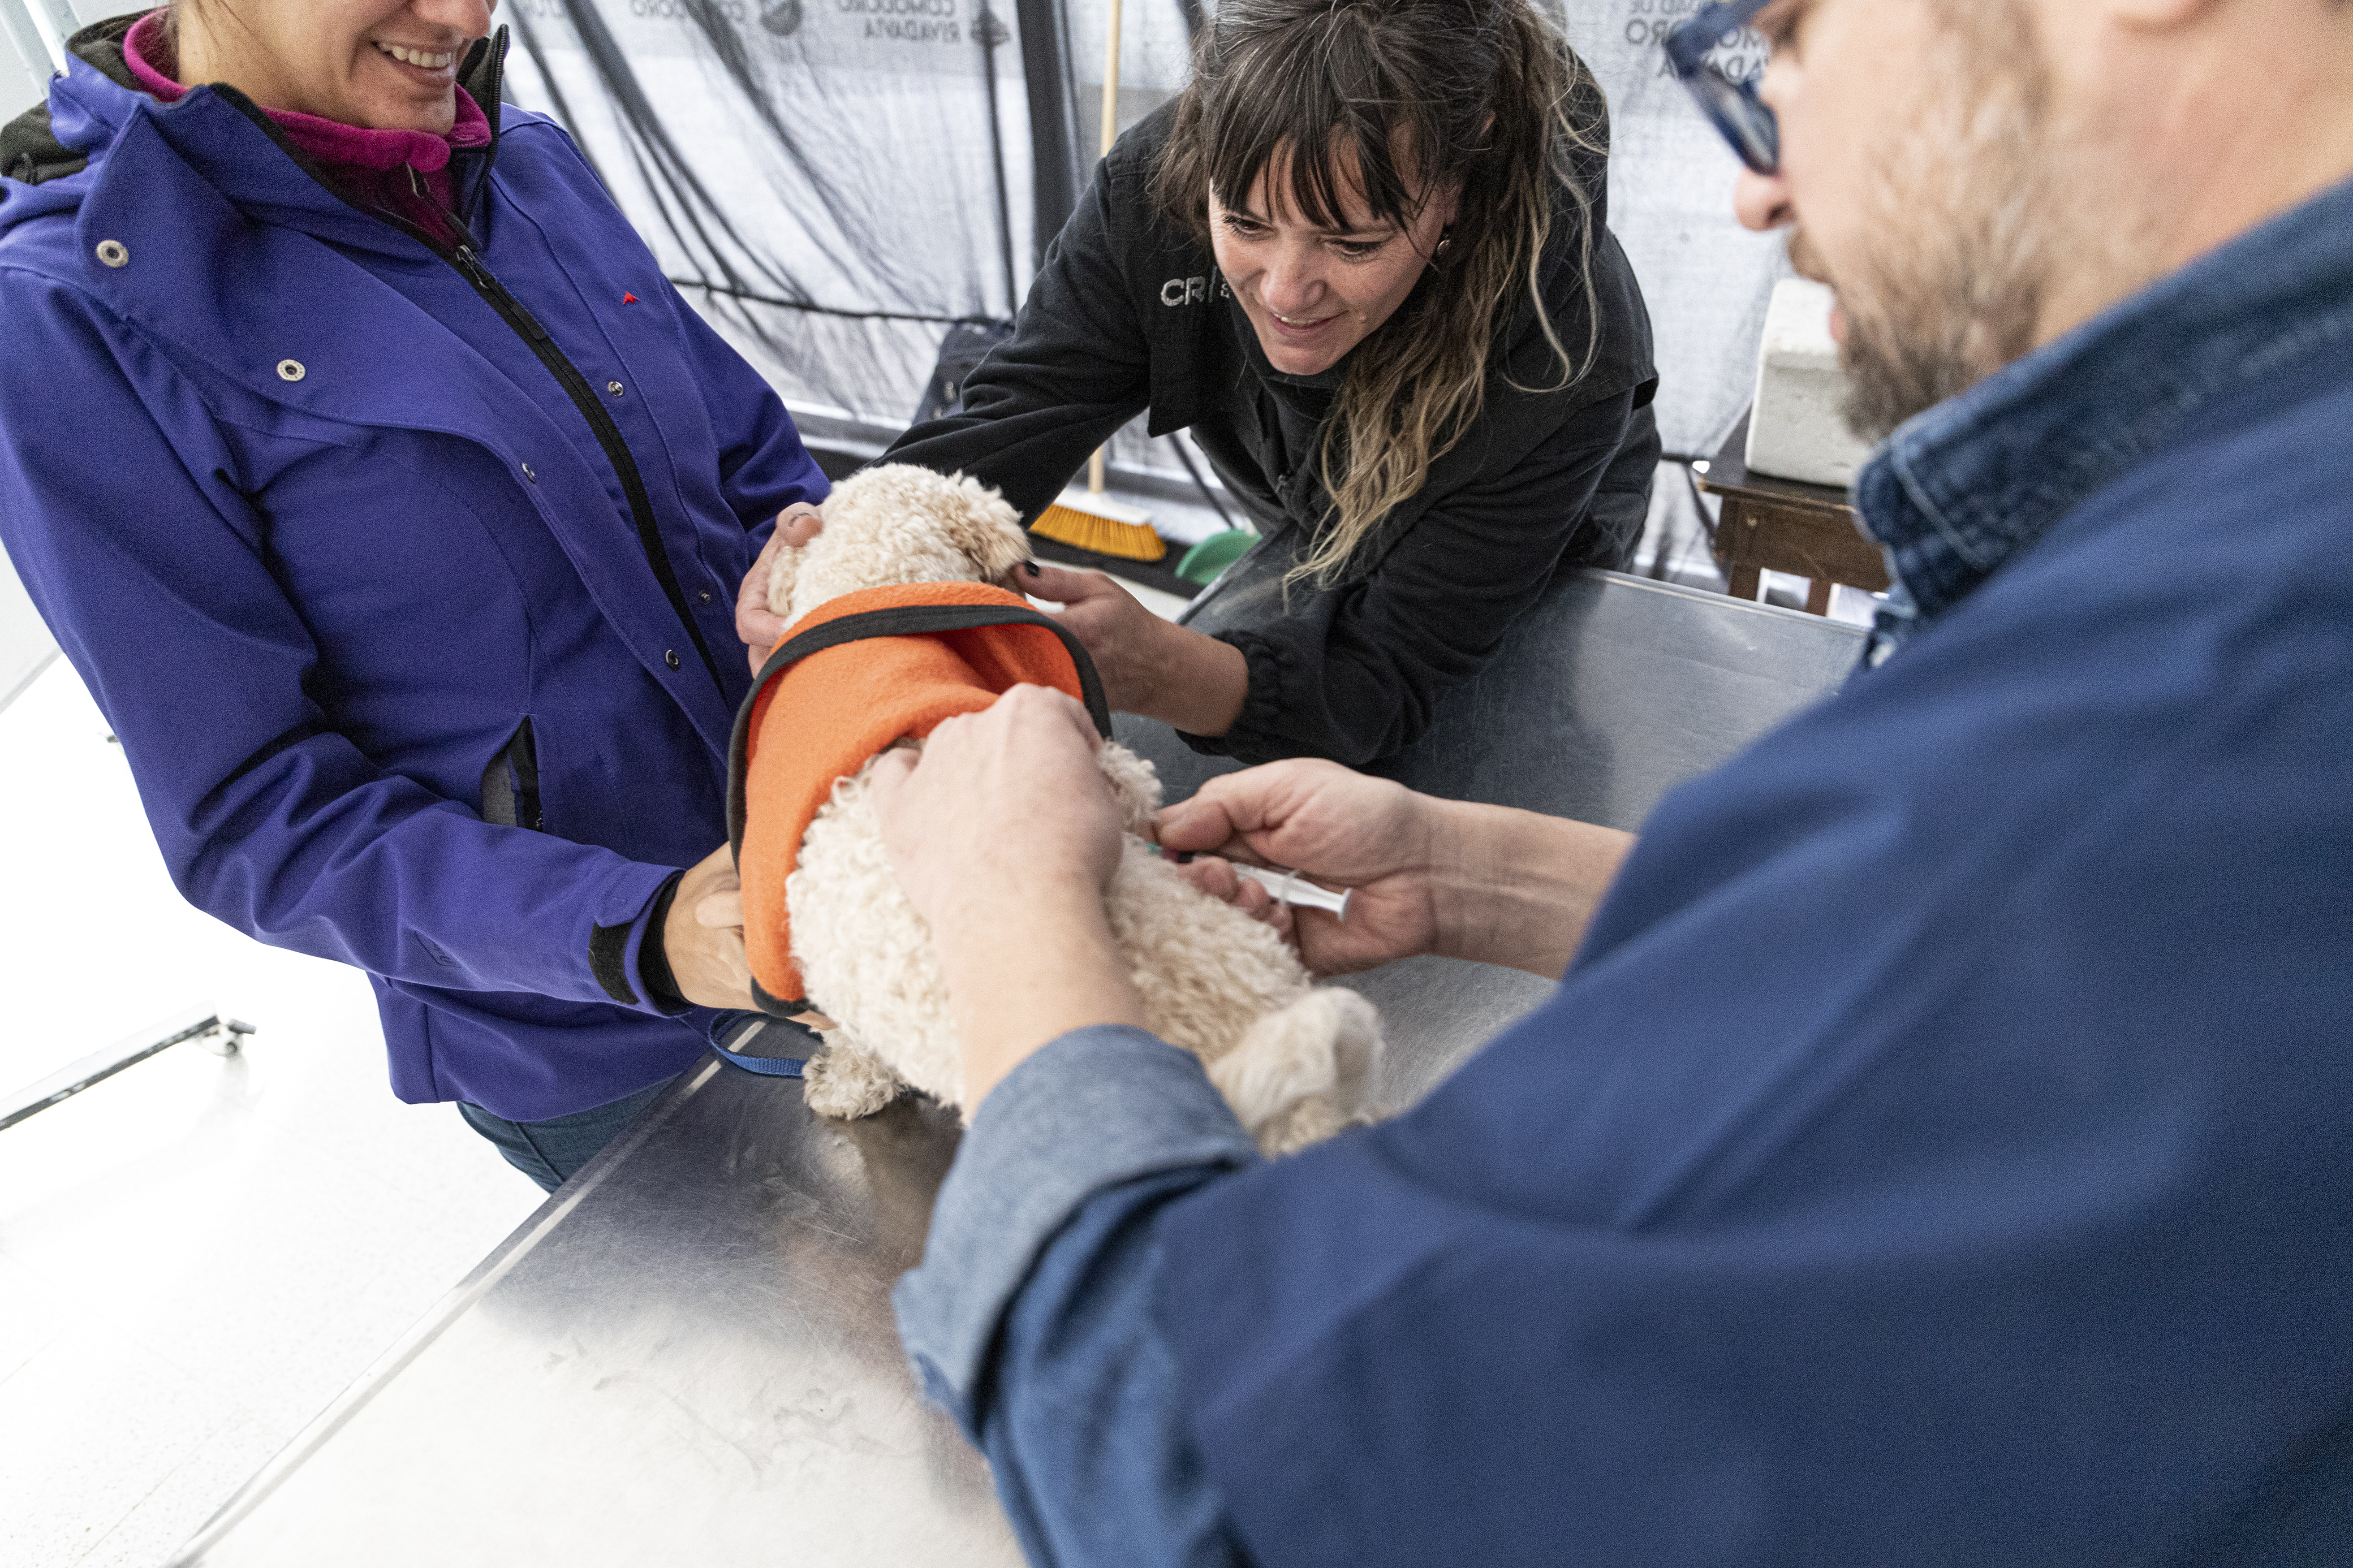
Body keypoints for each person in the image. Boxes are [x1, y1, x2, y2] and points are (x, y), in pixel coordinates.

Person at [867, 0, 2353, 1561]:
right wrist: (1482, 876)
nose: (1756, 193)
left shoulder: (2202, 708)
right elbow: (1996, 981)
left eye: (1784, 30)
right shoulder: (2204, 576)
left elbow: (1213, 1463)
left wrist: (1011, 906)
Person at [0, 3, 818, 1191]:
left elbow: (749, 472)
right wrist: (641, 932)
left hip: (830, 871)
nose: (464, 13)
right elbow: (252, 814)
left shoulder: (514, 156)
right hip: (596, 1033)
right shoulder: (66, 312)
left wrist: (864, 616)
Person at [739, 0, 1661, 768]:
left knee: (1470, 740)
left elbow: (1385, 678)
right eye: (1247, 223)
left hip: (1524, 526)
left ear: (1461, 187)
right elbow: (1006, 420)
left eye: (1354, 243)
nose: (1287, 292)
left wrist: (1160, 672)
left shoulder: (1565, 348)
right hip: (1308, 483)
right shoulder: (1151, 196)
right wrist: (837, 560)